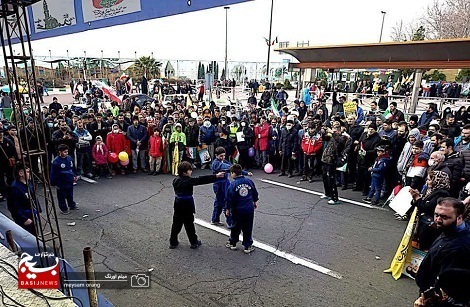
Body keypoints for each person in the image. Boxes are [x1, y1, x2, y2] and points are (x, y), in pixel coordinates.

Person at [415, 198, 470, 299]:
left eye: (444, 217)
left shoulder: (458, 247)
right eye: (436, 215)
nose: (438, 220)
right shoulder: (449, 229)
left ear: (459, 218)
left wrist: (431, 298)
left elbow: (448, 284)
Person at [169, 162, 224, 249]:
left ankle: (173, 242)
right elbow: (201, 179)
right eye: (189, 170)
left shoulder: (176, 180)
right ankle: (193, 242)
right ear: (185, 172)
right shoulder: (188, 181)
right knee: (189, 224)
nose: (191, 172)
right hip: (187, 203)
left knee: (176, 223)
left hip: (178, 203)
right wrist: (216, 176)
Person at [211, 147, 252, 227]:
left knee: (219, 203)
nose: (222, 157)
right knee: (225, 203)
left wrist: (245, 173)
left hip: (225, 183)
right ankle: (231, 223)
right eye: (221, 156)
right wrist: (239, 170)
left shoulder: (224, 161)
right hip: (219, 185)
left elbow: (233, 168)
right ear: (216, 155)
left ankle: (215, 219)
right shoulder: (216, 163)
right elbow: (228, 167)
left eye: (223, 156)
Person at [409, 171, 450, 248]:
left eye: (429, 180)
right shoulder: (429, 190)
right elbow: (419, 204)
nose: (427, 182)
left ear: (436, 181)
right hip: (423, 222)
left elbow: (427, 207)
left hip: (430, 226)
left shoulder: (441, 194)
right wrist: (415, 197)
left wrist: (418, 198)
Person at [225, 164, 259, 254]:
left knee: (236, 226)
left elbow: (229, 198)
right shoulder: (249, 182)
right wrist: (255, 201)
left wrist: (228, 209)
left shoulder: (233, 185)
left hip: (237, 209)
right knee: (248, 227)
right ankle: (247, 245)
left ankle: (233, 243)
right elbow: (254, 193)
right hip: (248, 208)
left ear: (233, 173)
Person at [7, 163, 41, 235]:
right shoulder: (15, 188)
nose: (30, 174)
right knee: (28, 235)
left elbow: (33, 197)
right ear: (21, 173)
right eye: (28, 172)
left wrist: (38, 209)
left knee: (35, 234)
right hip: (25, 216)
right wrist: (24, 219)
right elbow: (13, 207)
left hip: (32, 214)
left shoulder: (29, 183)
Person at [50, 144, 79, 214]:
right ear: (60, 152)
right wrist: (54, 183)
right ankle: (63, 208)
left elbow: (73, 168)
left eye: (67, 152)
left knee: (70, 194)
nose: (66, 153)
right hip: (61, 181)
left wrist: (76, 175)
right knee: (61, 196)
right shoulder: (56, 162)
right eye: (64, 152)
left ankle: (71, 204)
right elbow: (54, 173)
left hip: (69, 180)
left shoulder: (69, 158)